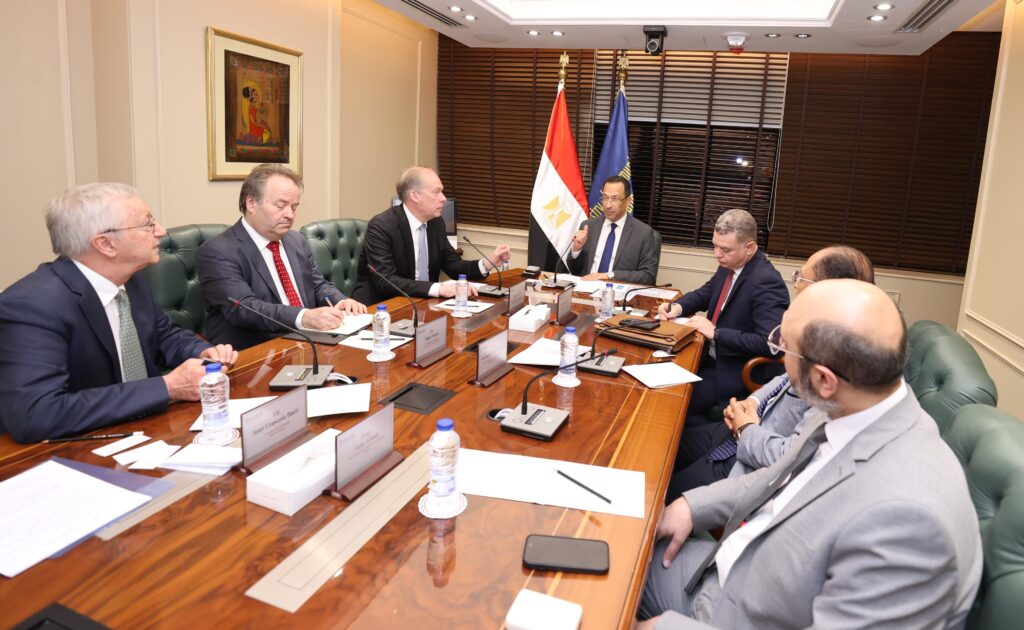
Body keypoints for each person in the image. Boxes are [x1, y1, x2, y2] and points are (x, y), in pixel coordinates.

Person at [639, 279, 982, 629]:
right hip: (730, 569)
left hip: (736, 616)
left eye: (784, 346)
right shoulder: (850, 404)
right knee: (615, 543)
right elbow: (777, 475)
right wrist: (690, 507)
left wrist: (662, 627)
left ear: (824, 380)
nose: (778, 353)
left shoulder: (909, 523)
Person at [0, 183, 237, 443]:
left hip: (147, 430)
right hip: (73, 447)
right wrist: (168, 387)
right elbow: (36, 414)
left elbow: (164, 334)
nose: (161, 231)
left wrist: (202, 353)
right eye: (148, 224)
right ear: (105, 244)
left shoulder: (130, 279)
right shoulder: (31, 306)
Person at [668, 246, 875, 496]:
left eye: (801, 276)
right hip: (739, 428)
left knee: (663, 490)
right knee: (665, 445)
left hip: (748, 461)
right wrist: (754, 401)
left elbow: (789, 458)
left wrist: (746, 429)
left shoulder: (843, 368)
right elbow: (785, 379)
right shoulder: (823, 332)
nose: (795, 283)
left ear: (825, 290)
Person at [197, 164, 366, 350]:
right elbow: (244, 308)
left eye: (294, 207)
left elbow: (317, 285)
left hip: (309, 342)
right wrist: (304, 317)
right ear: (251, 203)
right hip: (256, 350)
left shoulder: (296, 240)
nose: (290, 215)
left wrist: (340, 301)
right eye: (281, 205)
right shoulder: (218, 251)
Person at [657, 209, 788, 417]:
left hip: (730, 371)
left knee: (669, 400)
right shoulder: (731, 263)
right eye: (715, 246)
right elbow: (706, 293)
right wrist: (677, 307)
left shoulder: (767, 281)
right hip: (706, 356)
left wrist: (716, 333)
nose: (717, 254)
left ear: (749, 248)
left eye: (725, 249)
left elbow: (771, 345)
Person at [351, 166, 510, 305]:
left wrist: (487, 263)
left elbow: (453, 265)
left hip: (422, 303)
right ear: (415, 195)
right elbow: (386, 281)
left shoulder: (435, 223)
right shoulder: (382, 226)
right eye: (436, 192)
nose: (444, 198)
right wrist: (439, 288)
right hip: (381, 307)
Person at [567, 176, 658, 284]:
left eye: (615, 199)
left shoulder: (643, 233)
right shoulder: (588, 226)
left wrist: (609, 276)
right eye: (605, 198)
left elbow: (648, 276)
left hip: (618, 290)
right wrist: (576, 249)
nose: (608, 205)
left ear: (628, 201)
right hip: (586, 288)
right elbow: (575, 270)